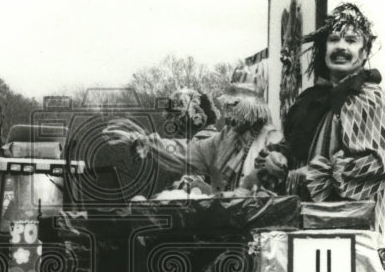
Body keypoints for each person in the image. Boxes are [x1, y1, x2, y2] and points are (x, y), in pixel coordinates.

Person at [256, 2, 385, 233]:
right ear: (324, 48)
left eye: (351, 40)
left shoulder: (372, 99)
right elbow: (294, 150)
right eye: (334, 39)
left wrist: (318, 174)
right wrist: (275, 159)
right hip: (303, 224)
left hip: (349, 231)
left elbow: (381, 165)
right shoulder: (311, 100)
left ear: (364, 52)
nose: (341, 47)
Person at [103, 81, 281, 195]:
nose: (229, 117)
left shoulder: (273, 142)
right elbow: (184, 150)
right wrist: (144, 141)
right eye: (227, 109)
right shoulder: (222, 140)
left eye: (235, 109)